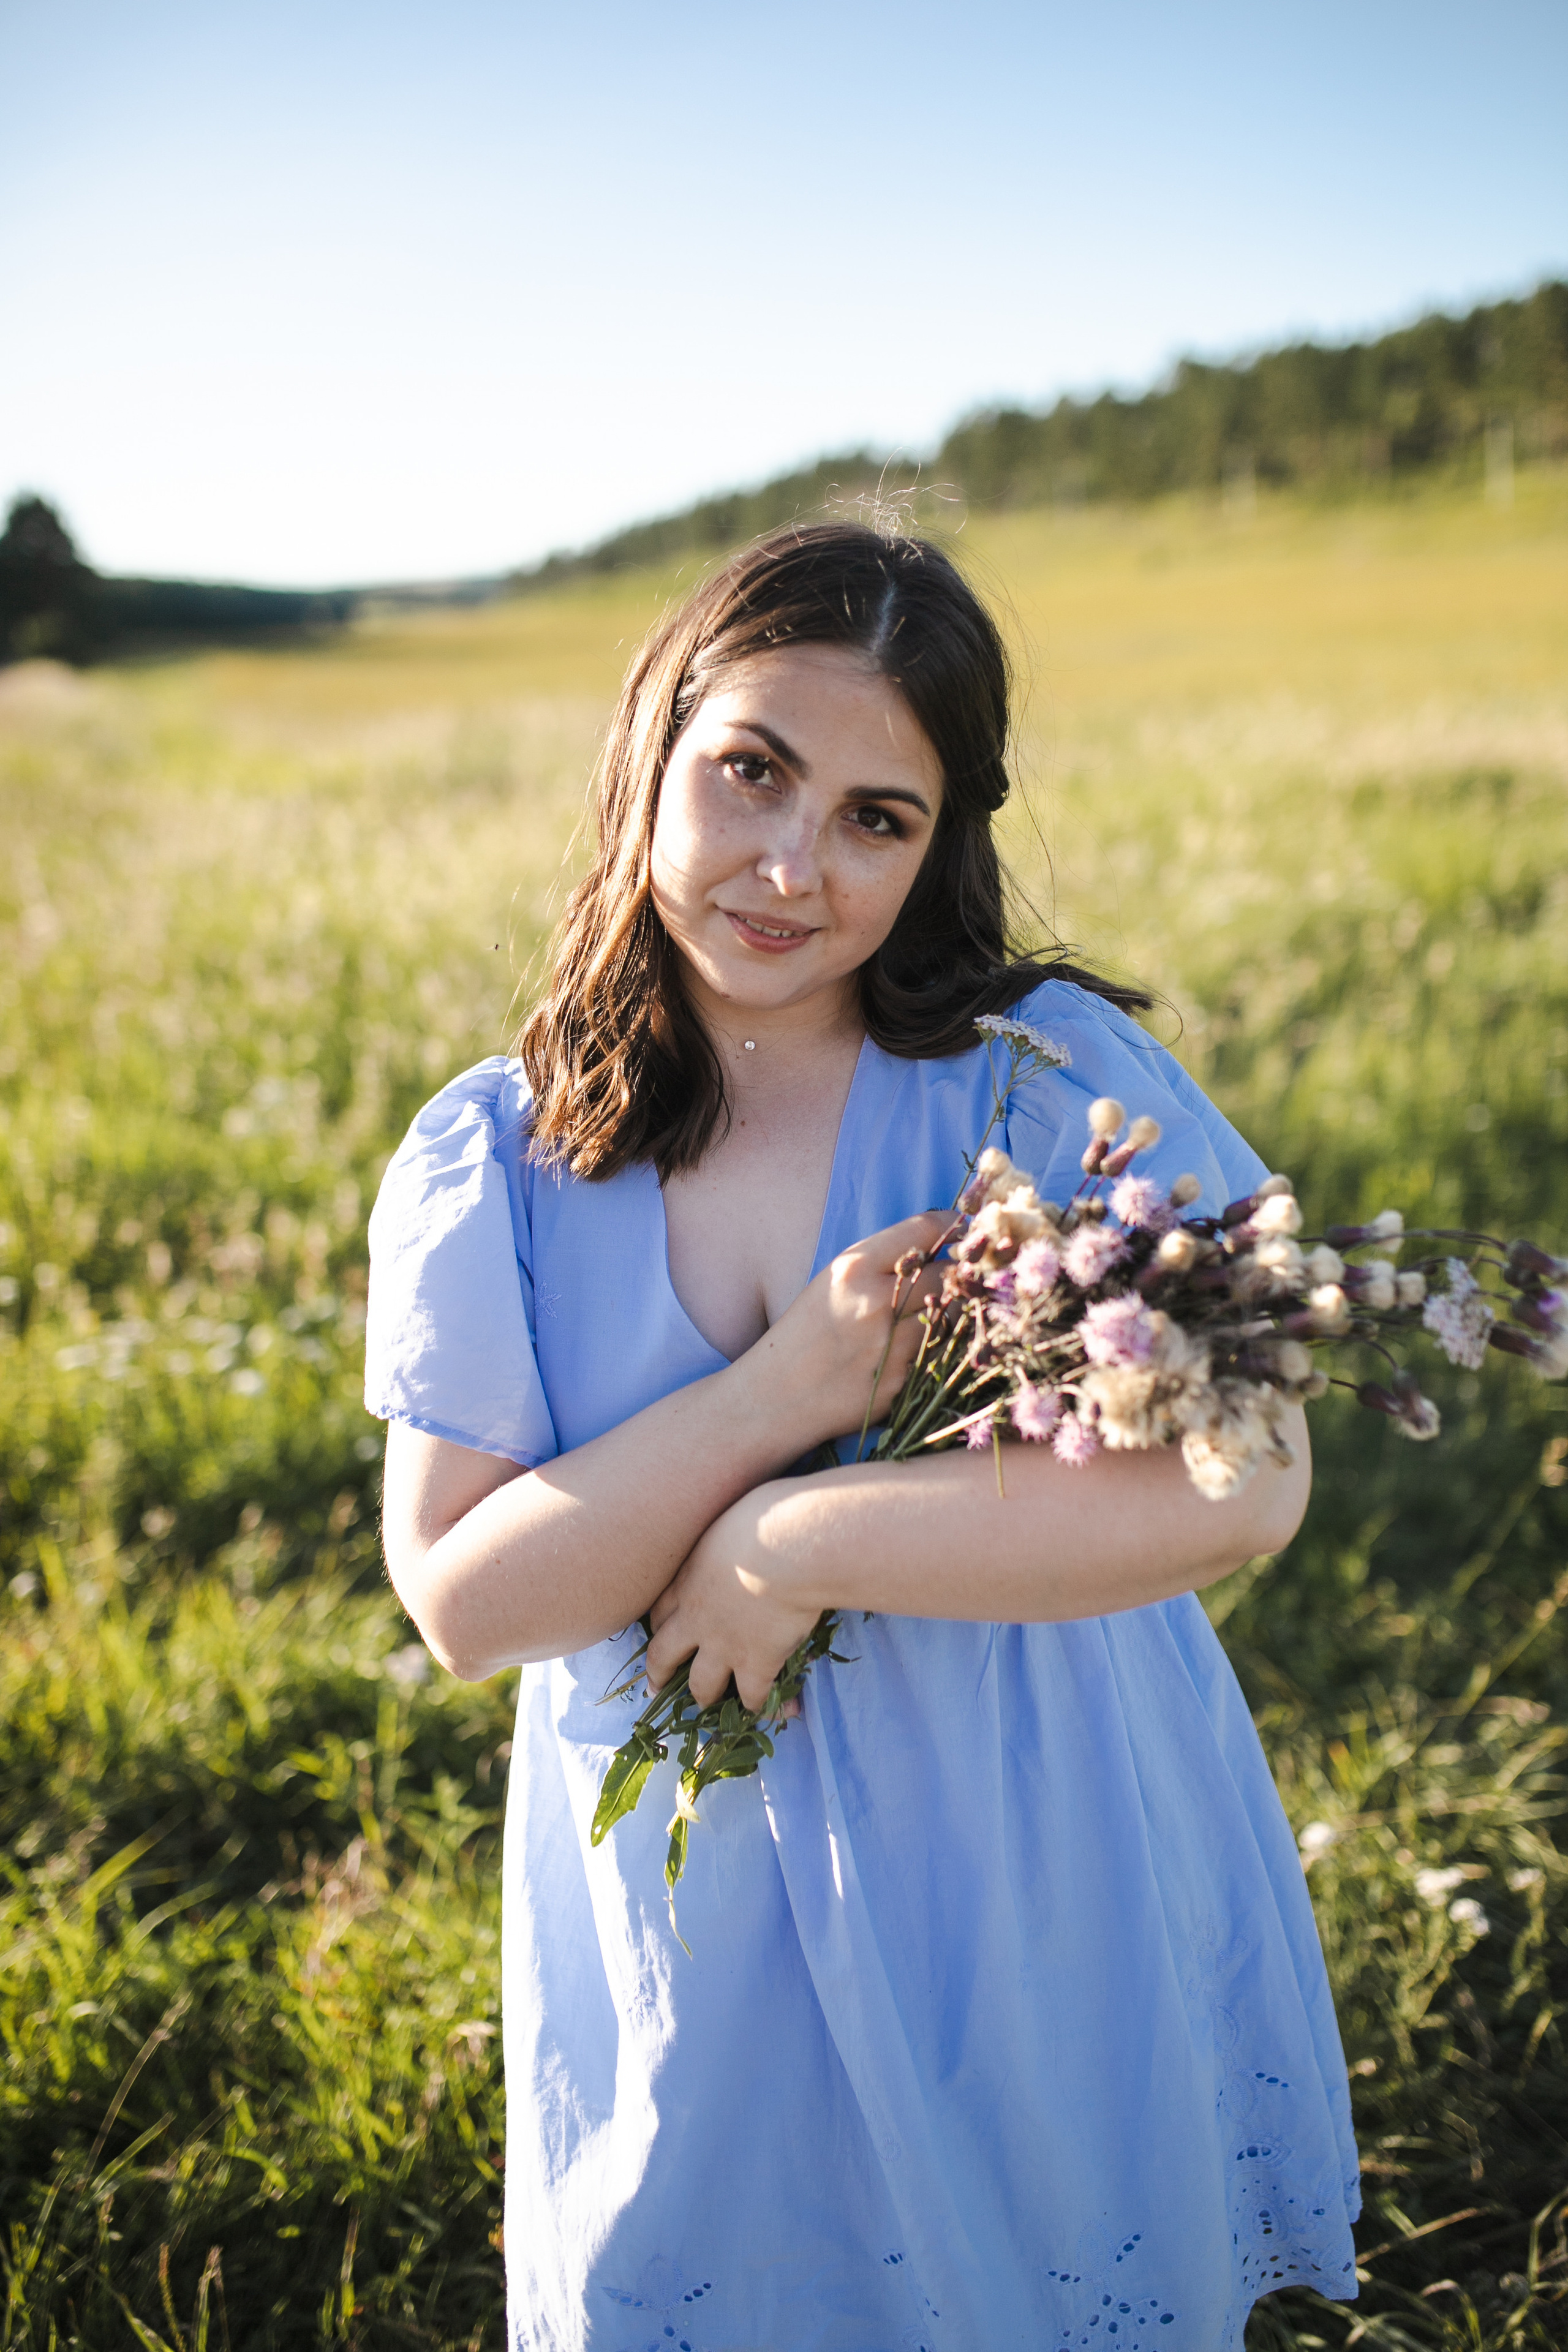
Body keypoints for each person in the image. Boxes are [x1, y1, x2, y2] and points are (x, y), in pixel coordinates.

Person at [366, 522, 1360, 2351]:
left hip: (1021, 1856)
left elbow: (1250, 1480)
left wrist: (787, 1543)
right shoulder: (495, 1158)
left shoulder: (1039, 1085)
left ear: (941, 842)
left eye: (875, 820)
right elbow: (464, 1602)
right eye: (752, 771)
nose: (791, 868)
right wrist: (783, 1400)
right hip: (693, 1921)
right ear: (653, 743)